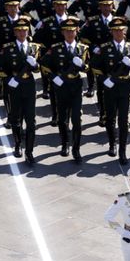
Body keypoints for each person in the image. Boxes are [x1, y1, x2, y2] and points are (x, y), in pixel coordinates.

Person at [40, 17, 89, 162]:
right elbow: (44, 64)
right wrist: (53, 77)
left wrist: (82, 65)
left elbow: (88, 68)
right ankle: (65, 144)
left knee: (77, 119)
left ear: (77, 31)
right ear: (62, 32)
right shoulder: (55, 48)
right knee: (62, 119)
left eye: (72, 31)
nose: (69, 34)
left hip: (75, 86)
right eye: (67, 31)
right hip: (61, 87)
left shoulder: (83, 48)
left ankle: (76, 149)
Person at [0, 16, 41, 164]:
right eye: (19, 30)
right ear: (14, 32)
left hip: (28, 84)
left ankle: (29, 151)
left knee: (31, 120)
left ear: (28, 31)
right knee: (16, 118)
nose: (21, 33)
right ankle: (18, 144)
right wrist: (7, 80)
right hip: (14, 85)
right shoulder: (8, 48)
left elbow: (39, 68)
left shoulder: (34, 47)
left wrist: (35, 65)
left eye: (24, 30)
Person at [92, 16, 130, 164]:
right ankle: (112, 144)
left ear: (124, 31)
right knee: (110, 118)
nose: (118, 33)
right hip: (110, 86)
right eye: (115, 30)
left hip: (124, 85)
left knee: (123, 120)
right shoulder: (105, 48)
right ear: (111, 32)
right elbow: (95, 66)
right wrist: (104, 80)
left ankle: (123, 151)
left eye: (121, 30)